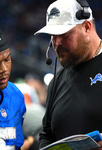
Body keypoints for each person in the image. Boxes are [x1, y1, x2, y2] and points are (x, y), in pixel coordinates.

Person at [34, 0, 102, 149]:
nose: (56, 43)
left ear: (86, 27)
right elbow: (47, 134)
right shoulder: (56, 82)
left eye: (64, 35)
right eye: (53, 35)